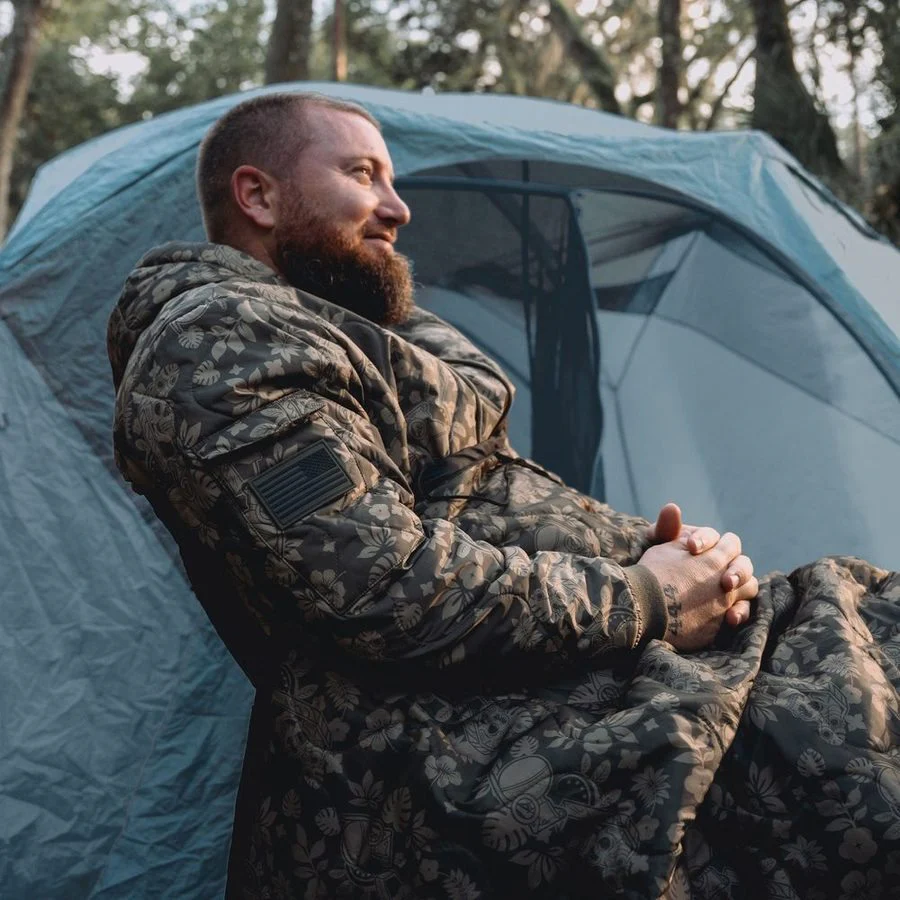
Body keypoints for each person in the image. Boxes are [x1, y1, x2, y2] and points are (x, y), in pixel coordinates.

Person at [108, 93, 898, 899]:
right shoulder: (216, 343)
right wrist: (646, 596)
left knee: (860, 625)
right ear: (258, 196)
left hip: (567, 661)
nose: (398, 207)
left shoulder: (342, 329)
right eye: (363, 175)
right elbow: (381, 584)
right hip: (456, 731)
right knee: (849, 749)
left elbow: (467, 500)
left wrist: (675, 562)